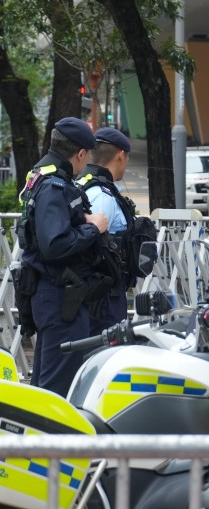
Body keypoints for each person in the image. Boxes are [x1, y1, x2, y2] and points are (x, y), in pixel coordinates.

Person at [16, 118, 109, 397]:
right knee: (58, 388)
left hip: (55, 295)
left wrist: (82, 222)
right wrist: (93, 228)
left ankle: (35, 439)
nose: (89, 159)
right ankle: (50, 441)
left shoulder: (44, 176)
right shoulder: (55, 185)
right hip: (59, 297)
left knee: (46, 385)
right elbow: (54, 245)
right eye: (89, 153)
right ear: (80, 153)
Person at [76, 127, 135, 335]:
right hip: (103, 297)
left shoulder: (84, 184)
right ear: (121, 155)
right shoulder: (102, 195)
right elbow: (92, 243)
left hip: (97, 292)